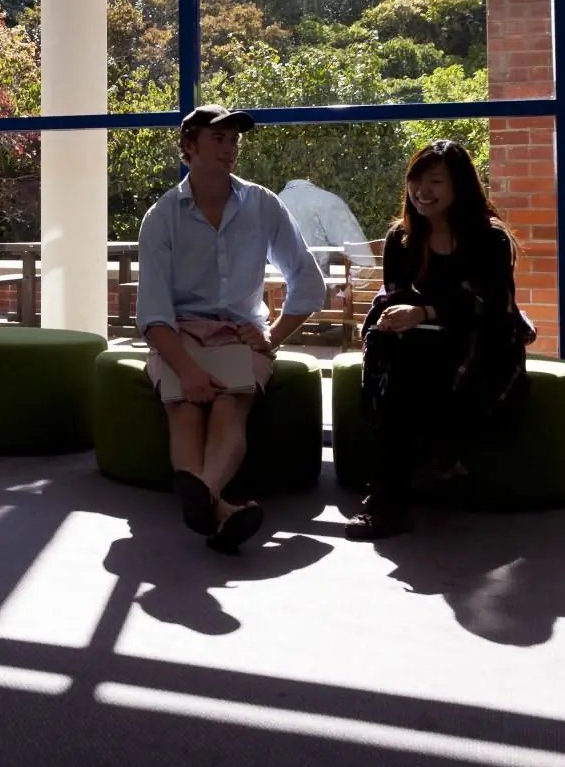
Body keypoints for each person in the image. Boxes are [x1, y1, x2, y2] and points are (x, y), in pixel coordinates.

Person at [135, 105, 325, 554]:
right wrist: (188, 370)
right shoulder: (161, 217)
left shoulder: (262, 204)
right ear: (189, 148)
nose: (230, 148)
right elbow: (153, 315)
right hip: (177, 336)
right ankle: (220, 510)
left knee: (228, 409)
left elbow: (308, 280)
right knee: (184, 408)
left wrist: (272, 337)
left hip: (239, 331)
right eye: (218, 139)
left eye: (234, 140)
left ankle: (203, 495)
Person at [343, 140, 534, 541]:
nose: (422, 191)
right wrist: (396, 317)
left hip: (482, 340)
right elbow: (394, 293)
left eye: (435, 181)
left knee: (411, 365)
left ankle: (388, 498)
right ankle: (427, 466)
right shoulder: (403, 237)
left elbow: (489, 304)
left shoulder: (489, 239)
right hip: (420, 343)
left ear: (459, 186)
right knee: (395, 351)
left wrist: (427, 312)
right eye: (416, 180)